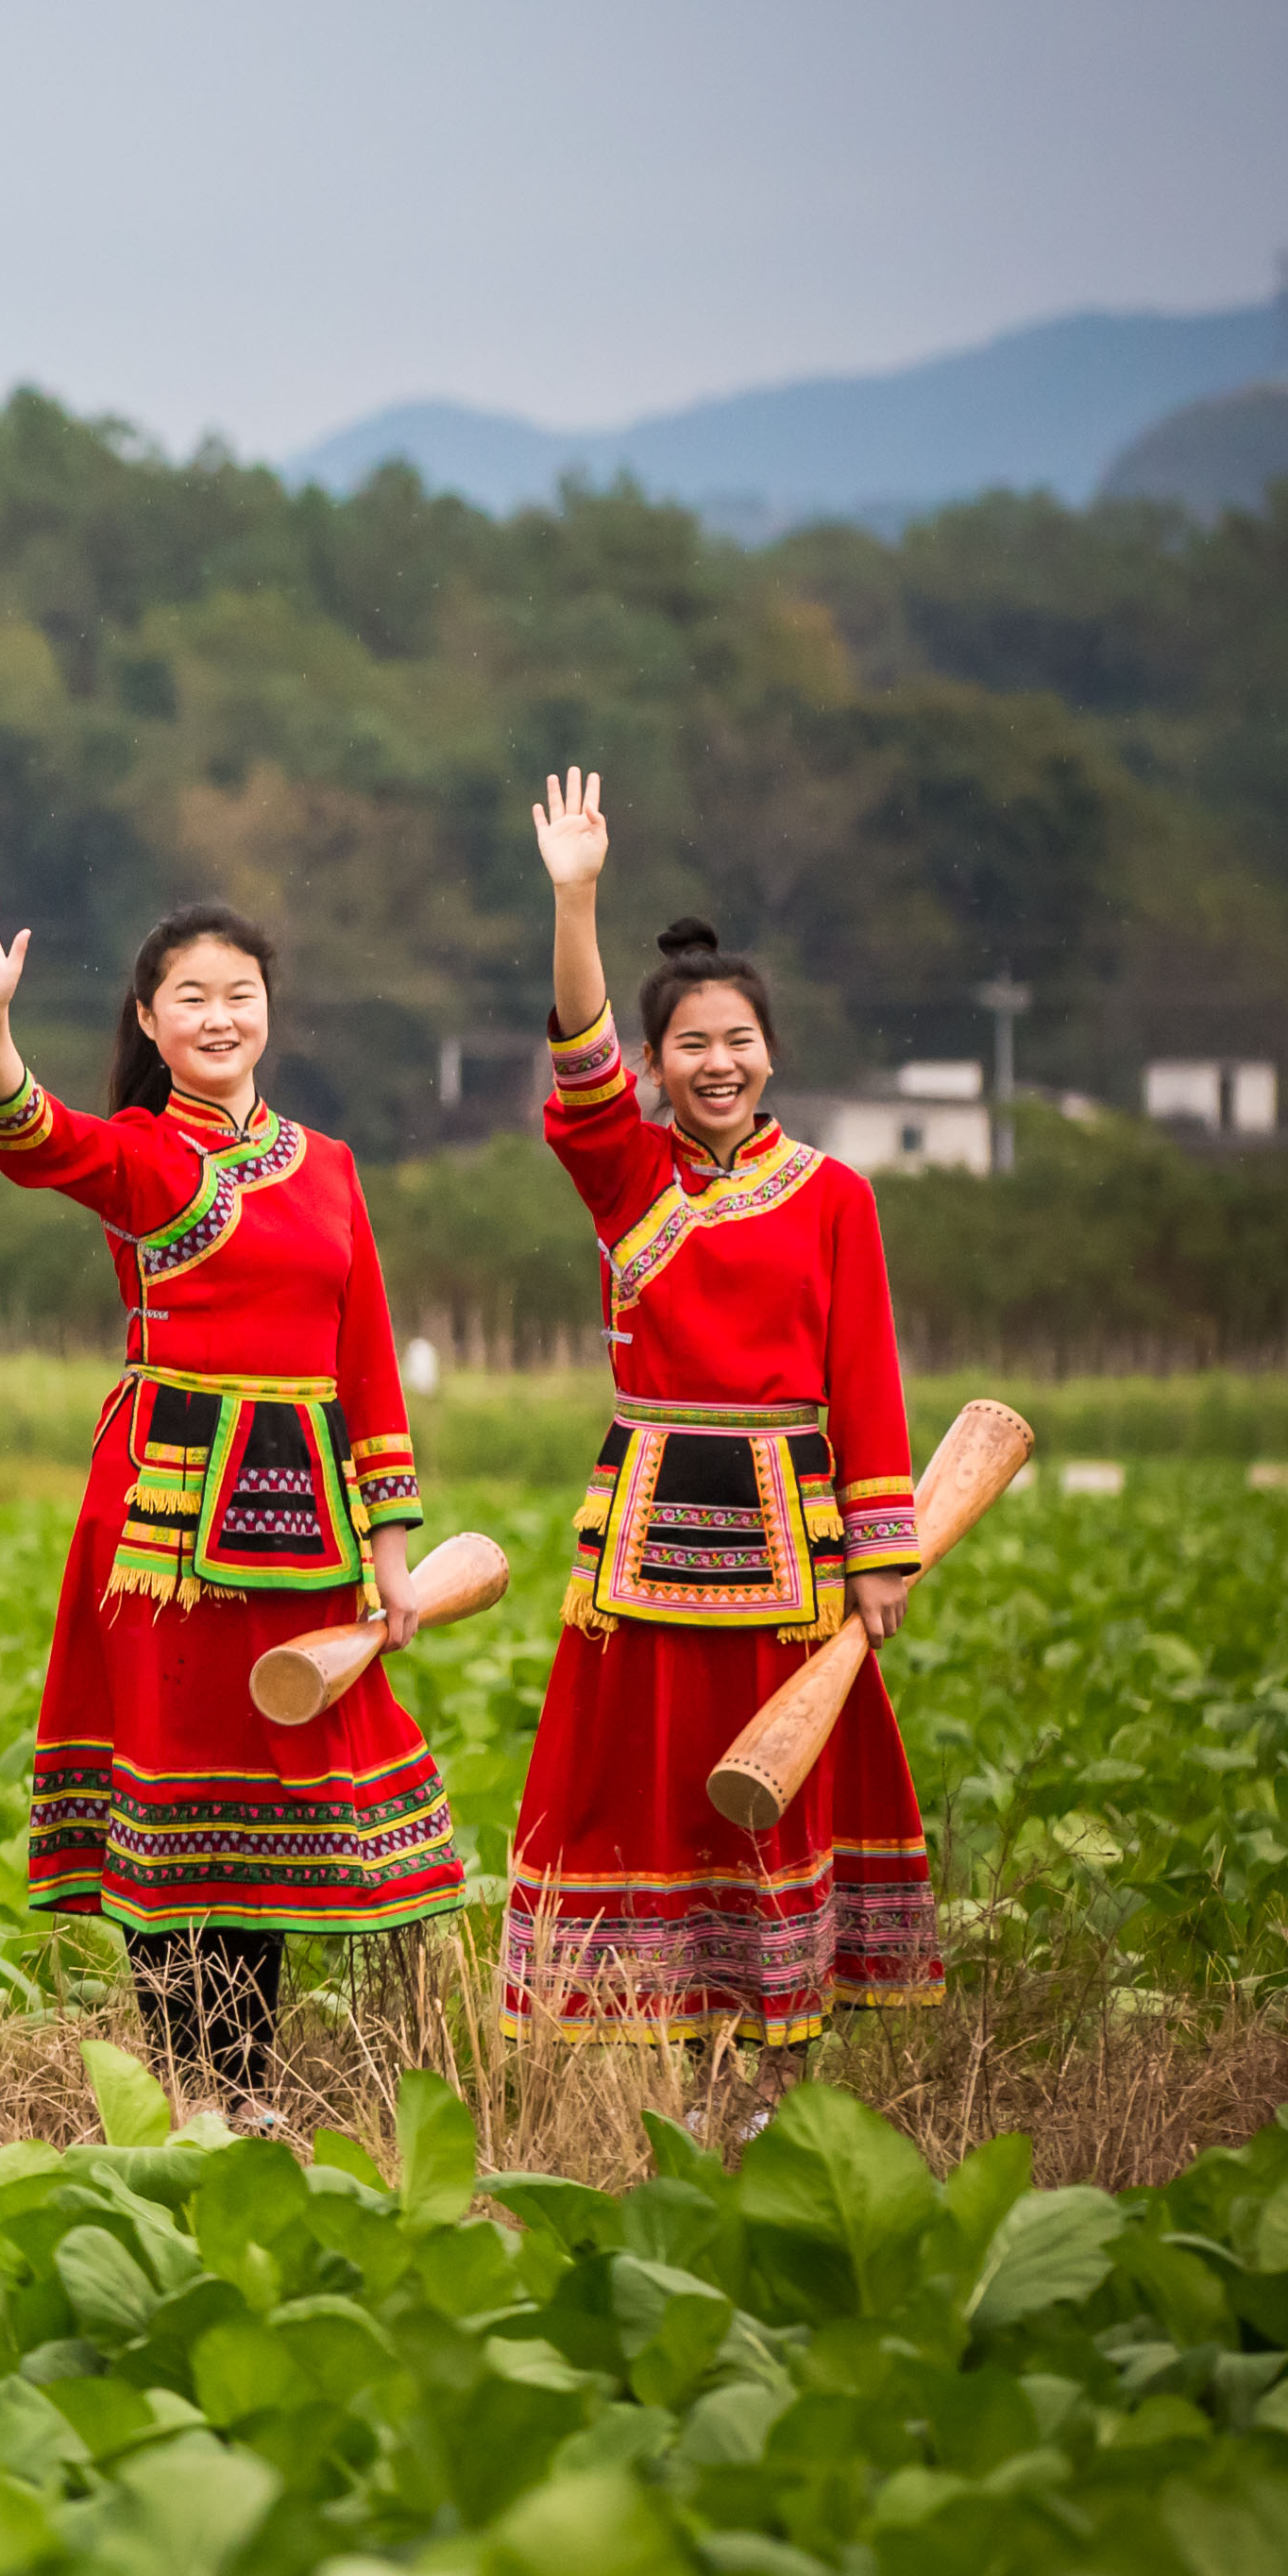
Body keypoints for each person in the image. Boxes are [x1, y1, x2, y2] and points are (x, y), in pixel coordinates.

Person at [0, 891, 467, 2127]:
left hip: (308, 1535)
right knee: (180, 1803)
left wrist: (392, 1547)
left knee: (271, 1808)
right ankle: (190, 2100)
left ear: (269, 1011)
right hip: (165, 1528)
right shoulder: (144, 1151)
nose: (220, 1015)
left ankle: (249, 2089)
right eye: (192, 996)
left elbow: (368, 1358)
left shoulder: (329, 1166)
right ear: (149, 1019)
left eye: (240, 993)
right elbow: (31, 1135)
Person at [501, 771, 936, 2085]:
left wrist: (883, 1551)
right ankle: (644, 2054)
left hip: (789, 1551)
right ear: (657, 1066)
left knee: (773, 1789)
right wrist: (576, 894)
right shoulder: (625, 1174)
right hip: (644, 1550)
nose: (720, 1061)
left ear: (771, 1051)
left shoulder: (834, 1196)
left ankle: (772, 2061)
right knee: (639, 1778)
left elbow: (864, 1377)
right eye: (692, 1043)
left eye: (740, 1038)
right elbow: (576, 1051)